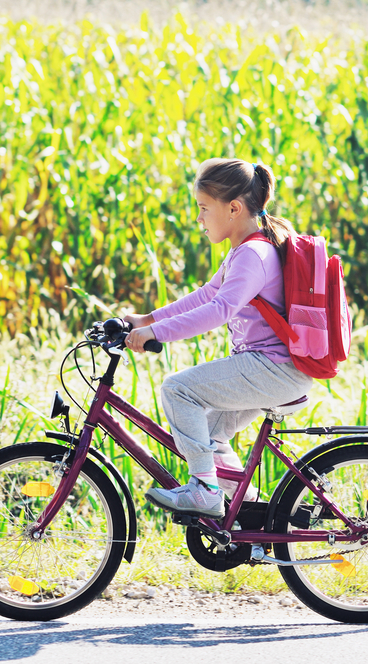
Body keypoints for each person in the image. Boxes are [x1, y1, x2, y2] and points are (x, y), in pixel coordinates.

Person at [123, 158, 312, 518]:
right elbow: (206, 295)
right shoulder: (242, 252)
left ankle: (204, 490)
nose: (199, 218)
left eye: (204, 208)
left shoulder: (254, 254)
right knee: (209, 434)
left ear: (234, 208)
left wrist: (155, 333)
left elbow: (219, 310)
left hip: (274, 369)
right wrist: (145, 319)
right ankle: (253, 512)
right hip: (271, 368)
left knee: (178, 389)